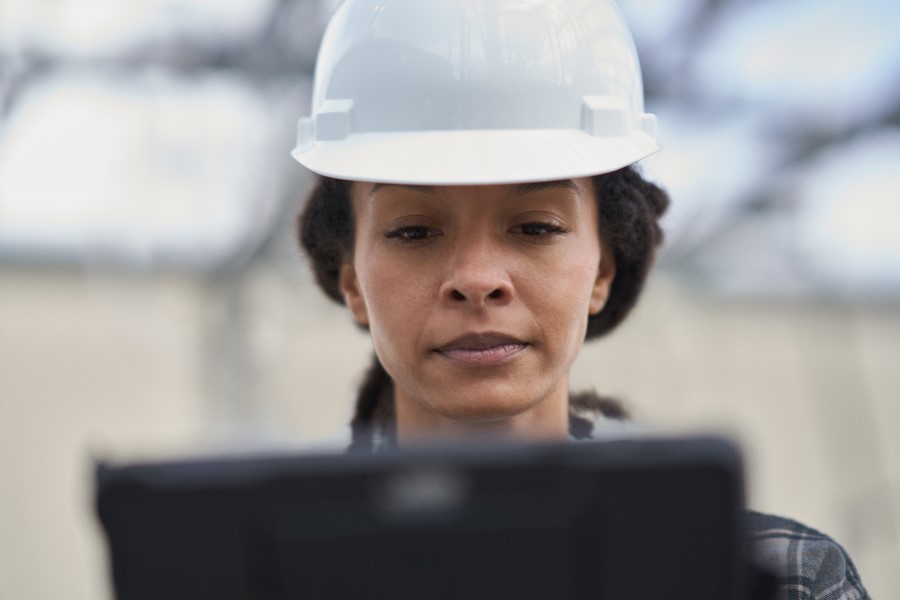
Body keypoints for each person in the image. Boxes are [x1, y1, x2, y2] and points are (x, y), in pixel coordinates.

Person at [291, 0, 870, 598]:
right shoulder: (250, 571)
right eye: (413, 231)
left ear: (604, 268)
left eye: (536, 227)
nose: (477, 277)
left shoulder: (782, 580)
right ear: (352, 281)